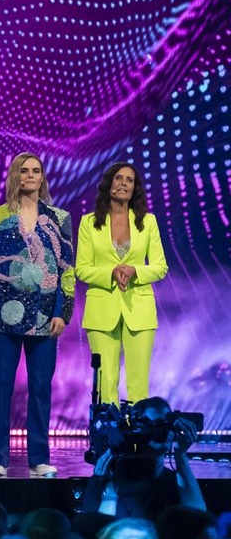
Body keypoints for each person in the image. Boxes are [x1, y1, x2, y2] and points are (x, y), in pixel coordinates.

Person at [0, 152, 74, 478]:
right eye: (24, 171)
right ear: (15, 177)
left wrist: (64, 311)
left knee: (40, 389)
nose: (30, 176)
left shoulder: (59, 218)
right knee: (1, 387)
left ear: (43, 177)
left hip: (45, 316)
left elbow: (66, 270)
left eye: (36, 171)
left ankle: (38, 460)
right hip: (4, 316)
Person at [75, 162, 168, 405]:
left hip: (139, 309)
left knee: (138, 386)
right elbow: (82, 269)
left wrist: (134, 270)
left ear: (134, 188)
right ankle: (110, 441)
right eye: (119, 178)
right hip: (101, 310)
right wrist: (111, 273)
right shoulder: (89, 222)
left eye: (130, 180)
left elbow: (160, 267)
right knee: (106, 385)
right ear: (109, 183)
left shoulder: (148, 222)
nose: (124, 183)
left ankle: (138, 442)